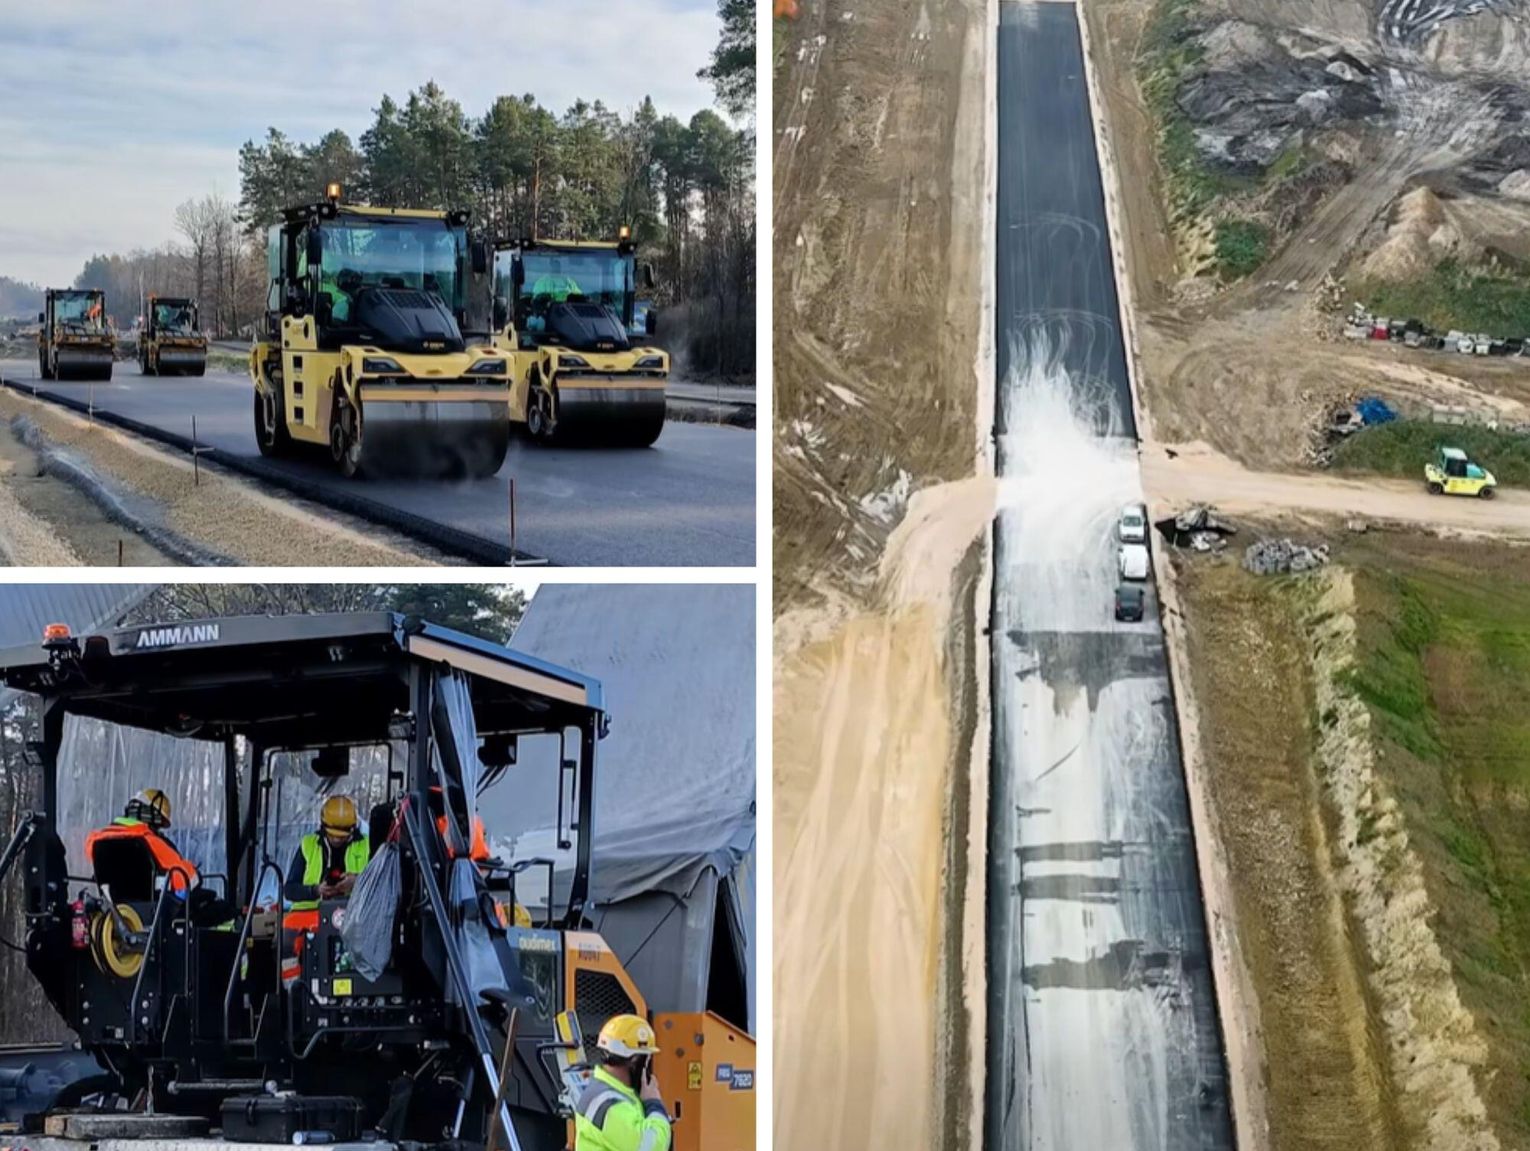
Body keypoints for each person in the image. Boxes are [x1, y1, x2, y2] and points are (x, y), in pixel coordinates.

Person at [281, 795, 369, 984]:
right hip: (309, 914)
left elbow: (382, 884)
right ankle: (293, 996)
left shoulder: (367, 846)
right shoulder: (308, 845)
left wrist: (357, 882)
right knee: (285, 942)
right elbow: (289, 890)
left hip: (355, 914)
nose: (337, 839)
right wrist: (316, 890)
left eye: (342, 834)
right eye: (333, 834)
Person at [573, 1015, 672, 1151]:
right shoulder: (608, 1105)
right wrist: (654, 1104)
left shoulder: (610, 1092)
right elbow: (653, 1147)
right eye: (647, 1058)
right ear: (635, 1059)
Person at [84, 788, 199, 898]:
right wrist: (192, 870)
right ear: (153, 817)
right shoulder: (151, 841)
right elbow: (185, 878)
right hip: (153, 913)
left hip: (114, 910)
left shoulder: (96, 841)